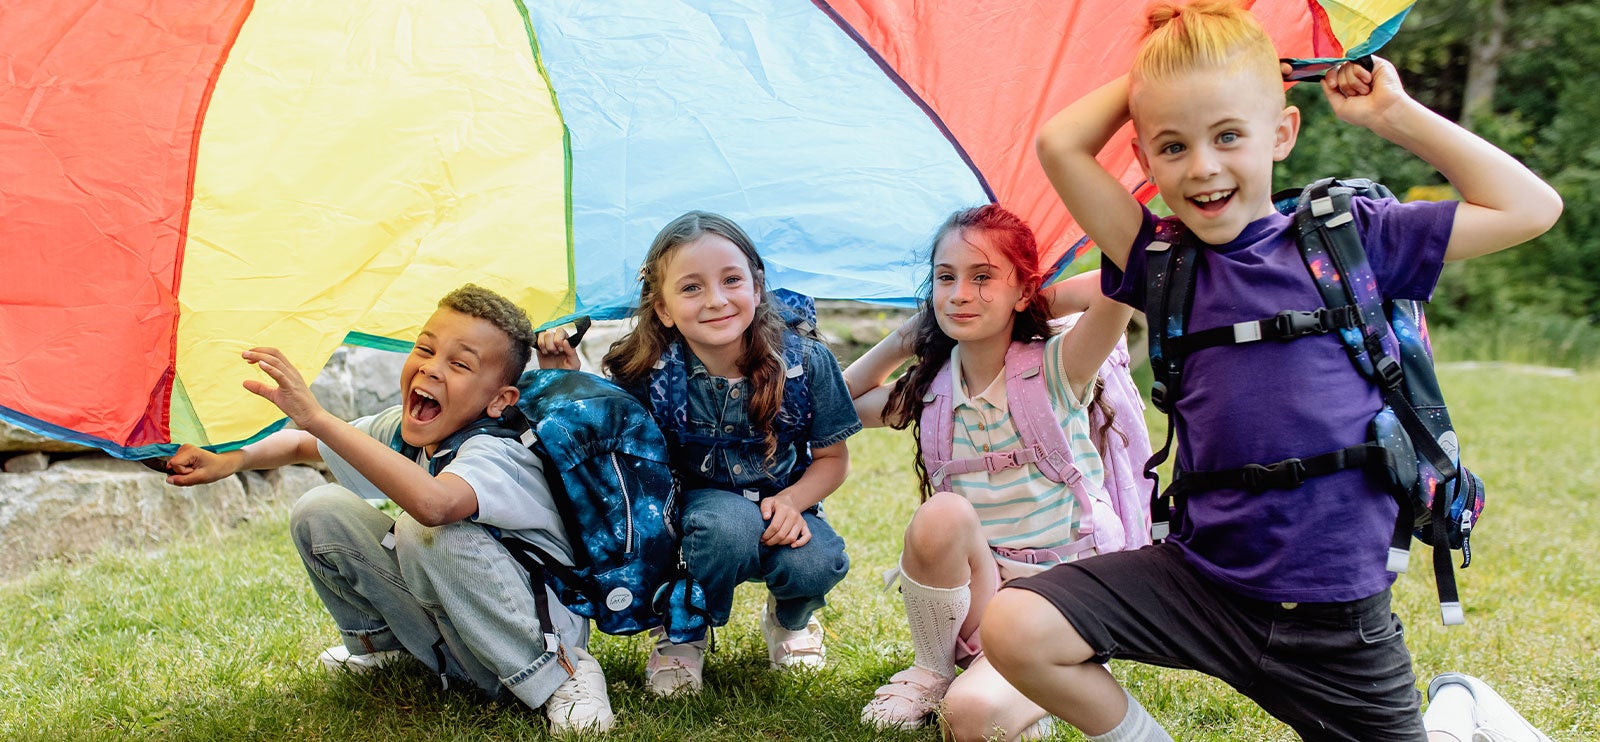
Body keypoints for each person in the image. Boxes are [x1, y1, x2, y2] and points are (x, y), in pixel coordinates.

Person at [979, 1, 1563, 741]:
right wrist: (1173, 68)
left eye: (1229, 134)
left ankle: (1457, 712)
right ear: (1144, 159)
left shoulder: (1355, 239)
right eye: (1172, 145)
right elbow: (1061, 143)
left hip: (1337, 625)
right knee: (1019, 624)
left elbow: (1531, 208)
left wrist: (1396, 116)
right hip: (1203, 588)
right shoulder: (1159, 260)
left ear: (1282, 131)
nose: (1203, 166)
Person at [164, 285, 615, 734]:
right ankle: (387, 649)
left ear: (499, 400)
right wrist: (234, 459)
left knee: (427, 529)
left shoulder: (498, 452)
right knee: (320, 508)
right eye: (425, 349)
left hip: (534, 639)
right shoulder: (409, 430)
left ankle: (566, 677)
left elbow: (435, 506)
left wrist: (317, 415)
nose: (432, 369)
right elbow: (310, 444)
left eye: (459, 364)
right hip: (466, 646)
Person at [843, 204, 1137, 741]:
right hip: (982, 595)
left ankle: (1042, 682)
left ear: (1021, 291)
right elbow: (839, 404)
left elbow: (1121, 282)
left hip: (1061, 603)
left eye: (983, 278)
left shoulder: (1059, 367)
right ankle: (932, 669)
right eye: (945, 278)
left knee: (970, 718)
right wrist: (914, 332)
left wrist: (1031, 298)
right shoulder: (932, 390)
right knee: (942, 514)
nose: (959, 294)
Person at [537, 211, 861, 697]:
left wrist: (794, 502)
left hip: (785, 507)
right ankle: (682, 631)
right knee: (726, 524)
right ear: (663, 307)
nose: (716, 300)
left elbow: (833, 460)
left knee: (815, 562)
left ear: (757, 286)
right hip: (694, 521)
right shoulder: (647, 370)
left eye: (731, 280)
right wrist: (570, 376)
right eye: (691, 288)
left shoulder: (806, 362)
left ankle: (790, 622)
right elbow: (616, 445)